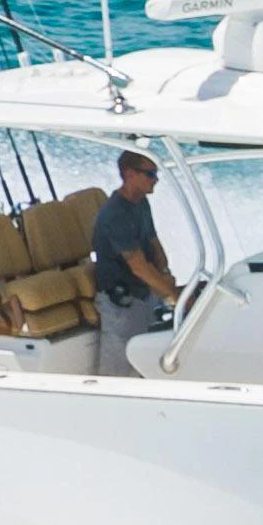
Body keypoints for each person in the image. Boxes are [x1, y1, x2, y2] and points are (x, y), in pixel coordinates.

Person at [89, 148, 181, 372]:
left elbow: (154, 243)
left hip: (144, 295)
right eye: (150, 174)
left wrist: (165, 275)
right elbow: (139, 267)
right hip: (120, 303)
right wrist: (173, 296)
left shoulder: (141, 203)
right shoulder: (115, 214)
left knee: (148, 363)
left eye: (156, 174)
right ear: (130, 174)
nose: (156, 179)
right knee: (119, 371)